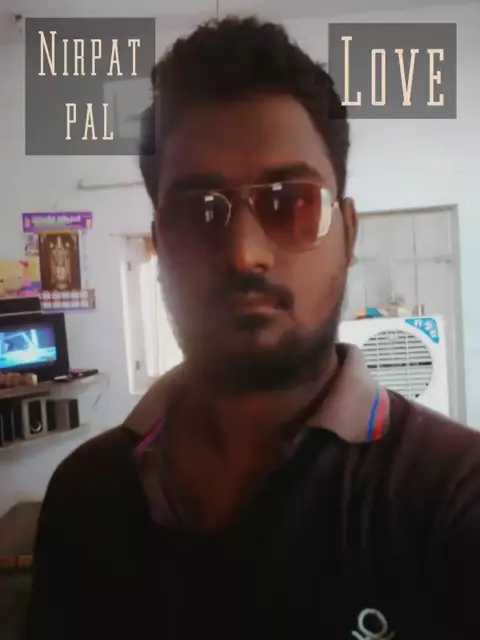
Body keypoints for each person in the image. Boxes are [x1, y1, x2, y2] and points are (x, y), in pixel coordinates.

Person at [25, 16, 480, 640]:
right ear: (160, 244)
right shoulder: (85, 494)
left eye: (290, 202)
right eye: (196, 212)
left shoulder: (454, 496)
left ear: (348, 233)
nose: (245, 254)